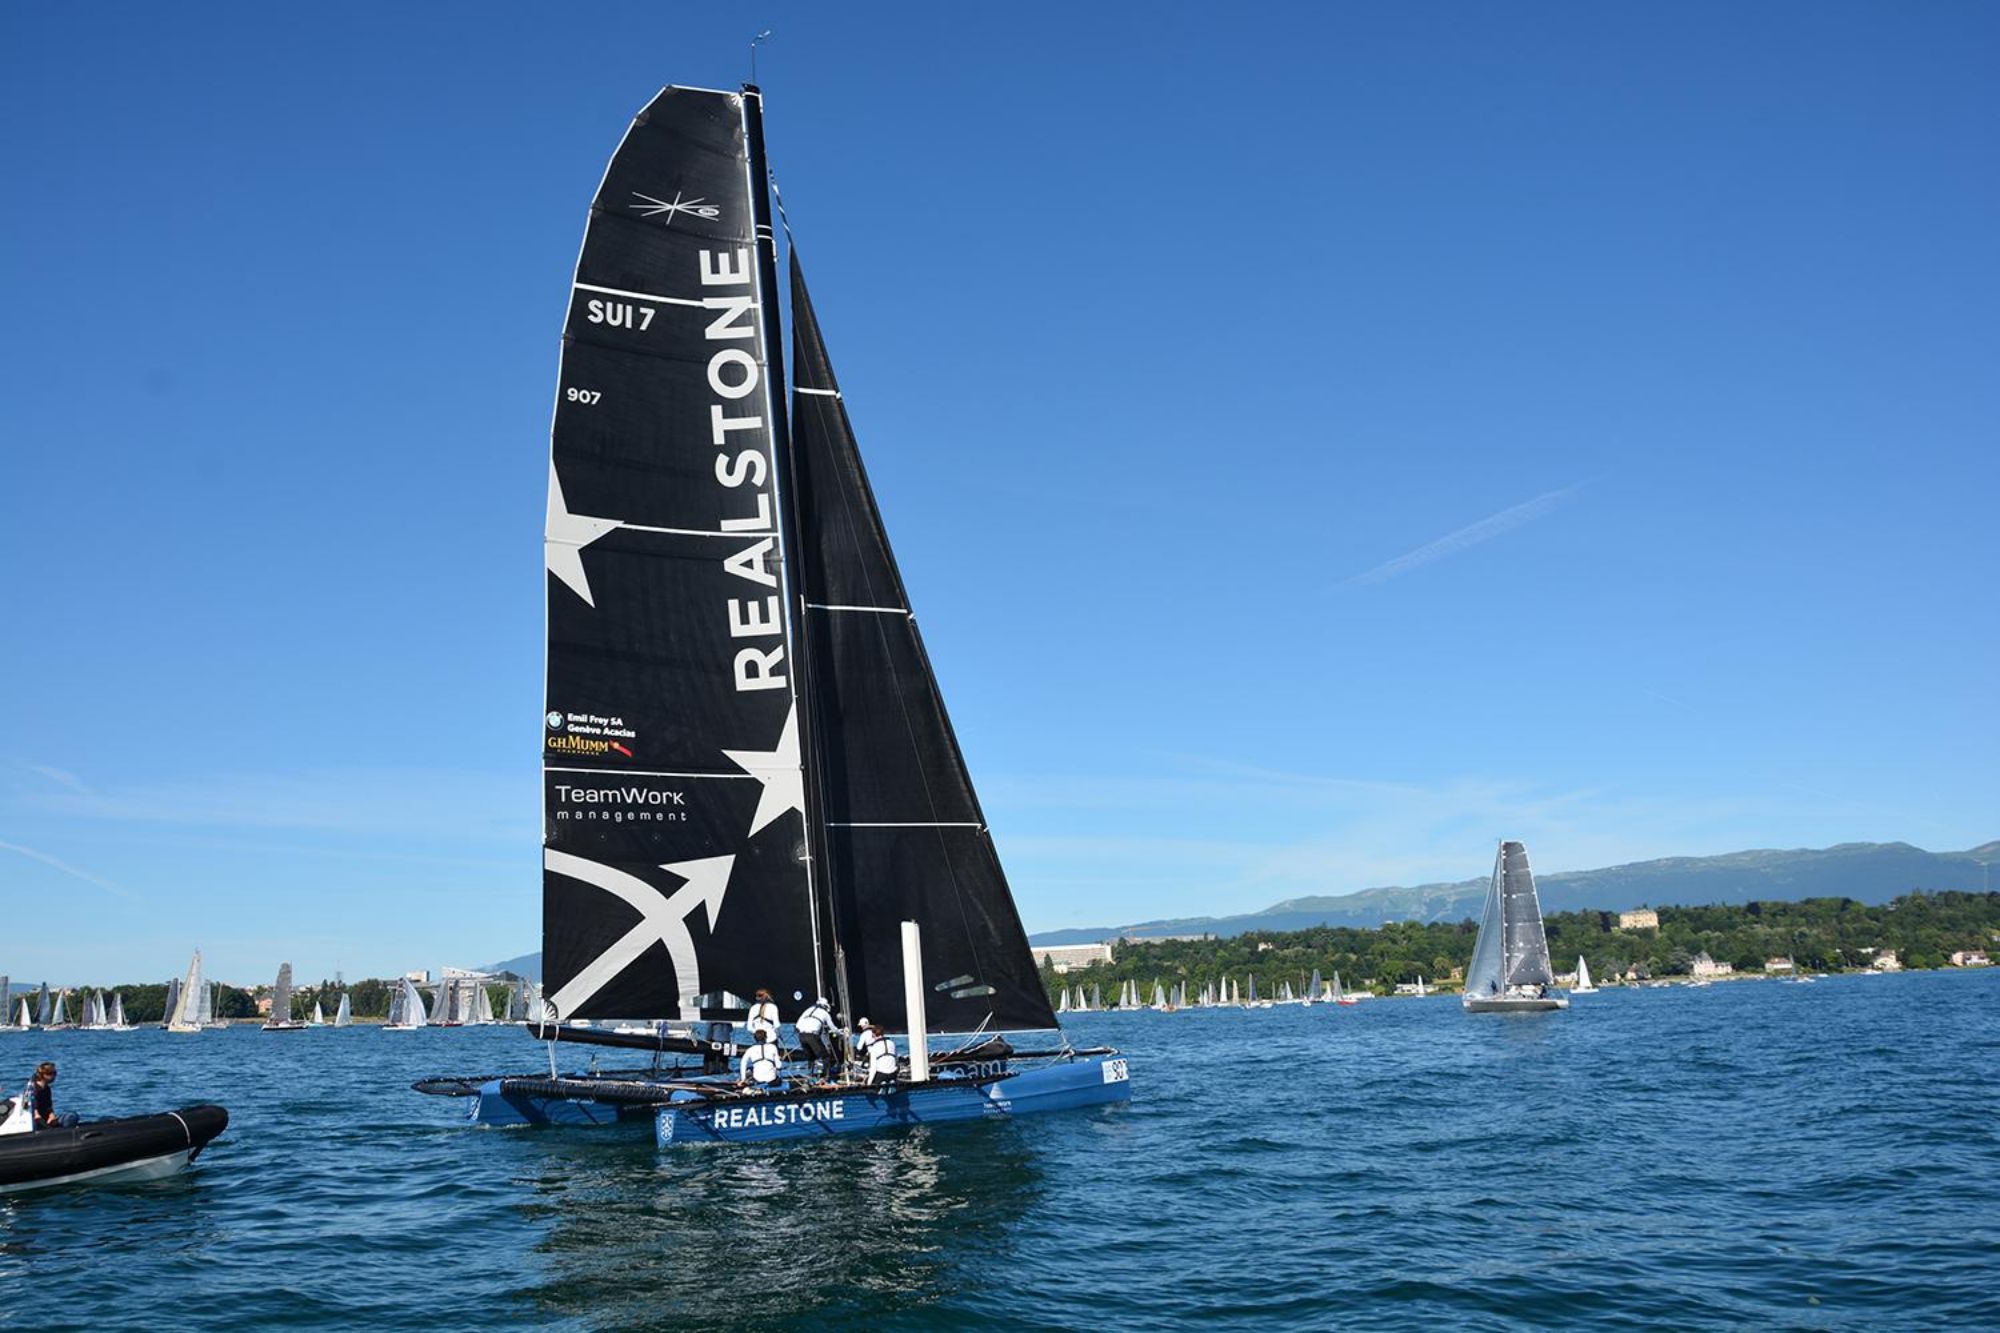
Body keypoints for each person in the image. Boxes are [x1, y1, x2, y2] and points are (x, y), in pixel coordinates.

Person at [794, 996, 835, 1078]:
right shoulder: (825, 1013)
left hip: (802, 1036)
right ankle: (826, 1077)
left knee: (811, 1057)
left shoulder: (808, 1010)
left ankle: (810, 1075)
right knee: (825, 1057)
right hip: (812, 1036)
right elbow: (833, 1028)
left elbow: (797, 1025)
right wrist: (840, 1033)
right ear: (825, 1006)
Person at [29, 1062, 77, 1130]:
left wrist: (52, 1116)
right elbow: (36, 1114)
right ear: (44, 1075)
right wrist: (46, 1125)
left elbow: (49, 1107)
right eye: (52, 1074)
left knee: (71, 1116)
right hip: (38, 1123)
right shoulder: (33, 1089)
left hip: (47, 1120)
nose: (54, 1076)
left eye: (55, 1074)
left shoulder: (47, 1089)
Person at [855, 1020, 898, 1086]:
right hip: (893, 1074)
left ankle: (881, 1082)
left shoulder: (874, 1047)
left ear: (873, 1034)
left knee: (870, 1079)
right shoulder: (892, 1043)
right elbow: (896, 1061)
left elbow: (873, 1068)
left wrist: (868, 1084)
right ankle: (891, 1080)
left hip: (881, 1075)